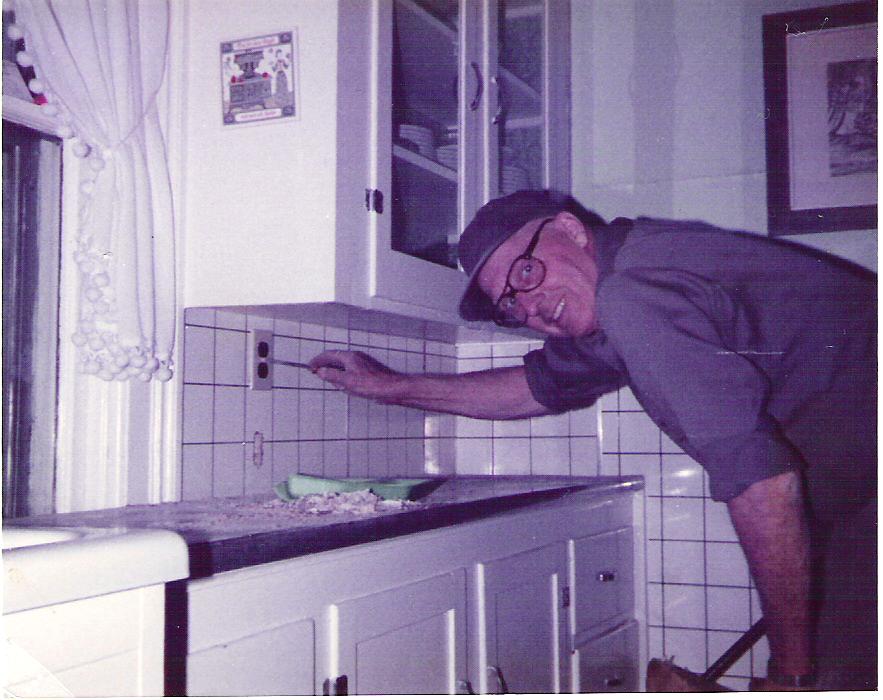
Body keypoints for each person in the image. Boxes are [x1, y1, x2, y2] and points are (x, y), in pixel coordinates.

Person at [310, 190, 876, 691]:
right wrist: (392, 387)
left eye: (526, 272)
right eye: (510, 305)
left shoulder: (632, 295)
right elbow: (536, 386)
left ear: (570, 230)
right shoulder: (622, 278)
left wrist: (791, 676)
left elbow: (762, 482)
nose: (529, 306)